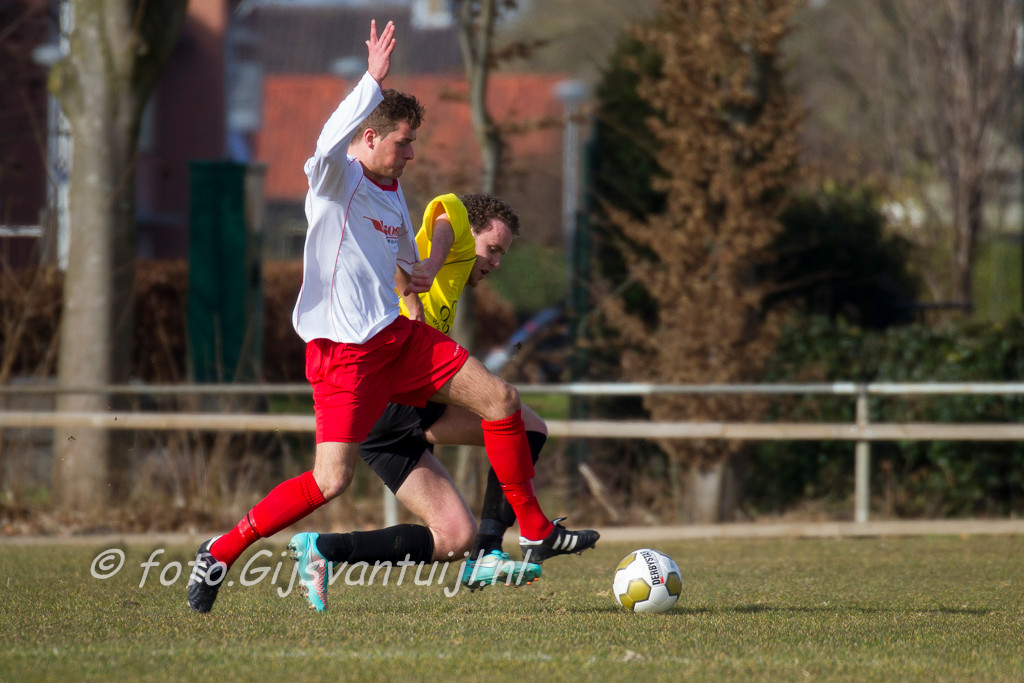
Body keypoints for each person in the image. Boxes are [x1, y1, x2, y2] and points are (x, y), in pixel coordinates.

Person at [186, 19, 597, 614]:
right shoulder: (337, 180)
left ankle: (530, 530)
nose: (411, 153)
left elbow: (406, 265)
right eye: (403, 142)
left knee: (502, 401)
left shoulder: (393, 195)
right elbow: (327, 142)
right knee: (330, 481)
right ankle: (220, 551)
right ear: (371, 135)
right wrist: (370, 82)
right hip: (344, 356)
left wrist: (422, 273)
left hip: (397, 339)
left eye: (413, 143)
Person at [287, 191, 576, 611]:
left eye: (502, 254)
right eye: (493, 249)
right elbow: (440, 214)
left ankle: (322, 549)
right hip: (394, 404)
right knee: (521, 423)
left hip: (388, 421)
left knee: (454, 537)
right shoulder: (442, 242)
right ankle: (489, 550)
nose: (496, 262)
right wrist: (431, 265)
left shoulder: (451, 277)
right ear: (466, 235)